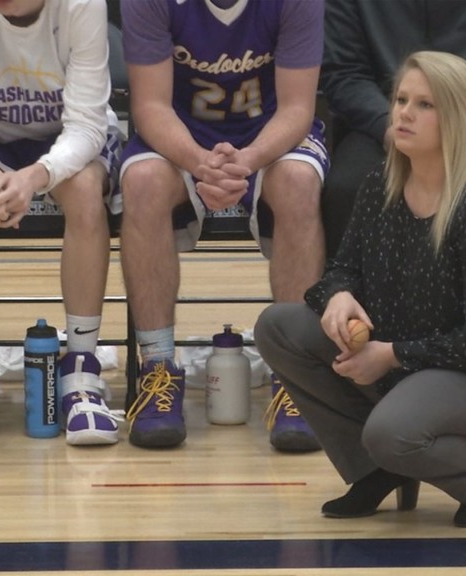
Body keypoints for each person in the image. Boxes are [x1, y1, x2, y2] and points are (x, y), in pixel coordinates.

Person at [255, 52, 466, 528]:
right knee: (278, 327)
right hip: (406, 360)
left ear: (457, 118)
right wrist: (339, 296)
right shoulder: (382, 183)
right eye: (401, 100)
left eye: (424, 105)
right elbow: (343, 268)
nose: (404, 113)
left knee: (391, 432)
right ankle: (375, 471)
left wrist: (390, 356)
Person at [119, 0, 329, 451]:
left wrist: (245, 163)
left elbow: (297, 109)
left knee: (298, 181)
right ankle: (158, 368)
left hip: (270, 135)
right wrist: (201, 163)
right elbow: (150, 107)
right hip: (181, 134)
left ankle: (297, 378)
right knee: (142, 181)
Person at [0, 0, 124, 447]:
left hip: (67, 137)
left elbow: (87, 127)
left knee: (85, 189)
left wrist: (36, 177)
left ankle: (81, 370)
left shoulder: (81, 4)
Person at [320, 0, 466, 303]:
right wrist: (391, 125)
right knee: (345, 187)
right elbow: (344, 73)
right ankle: (354, 319)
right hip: (387, 121)